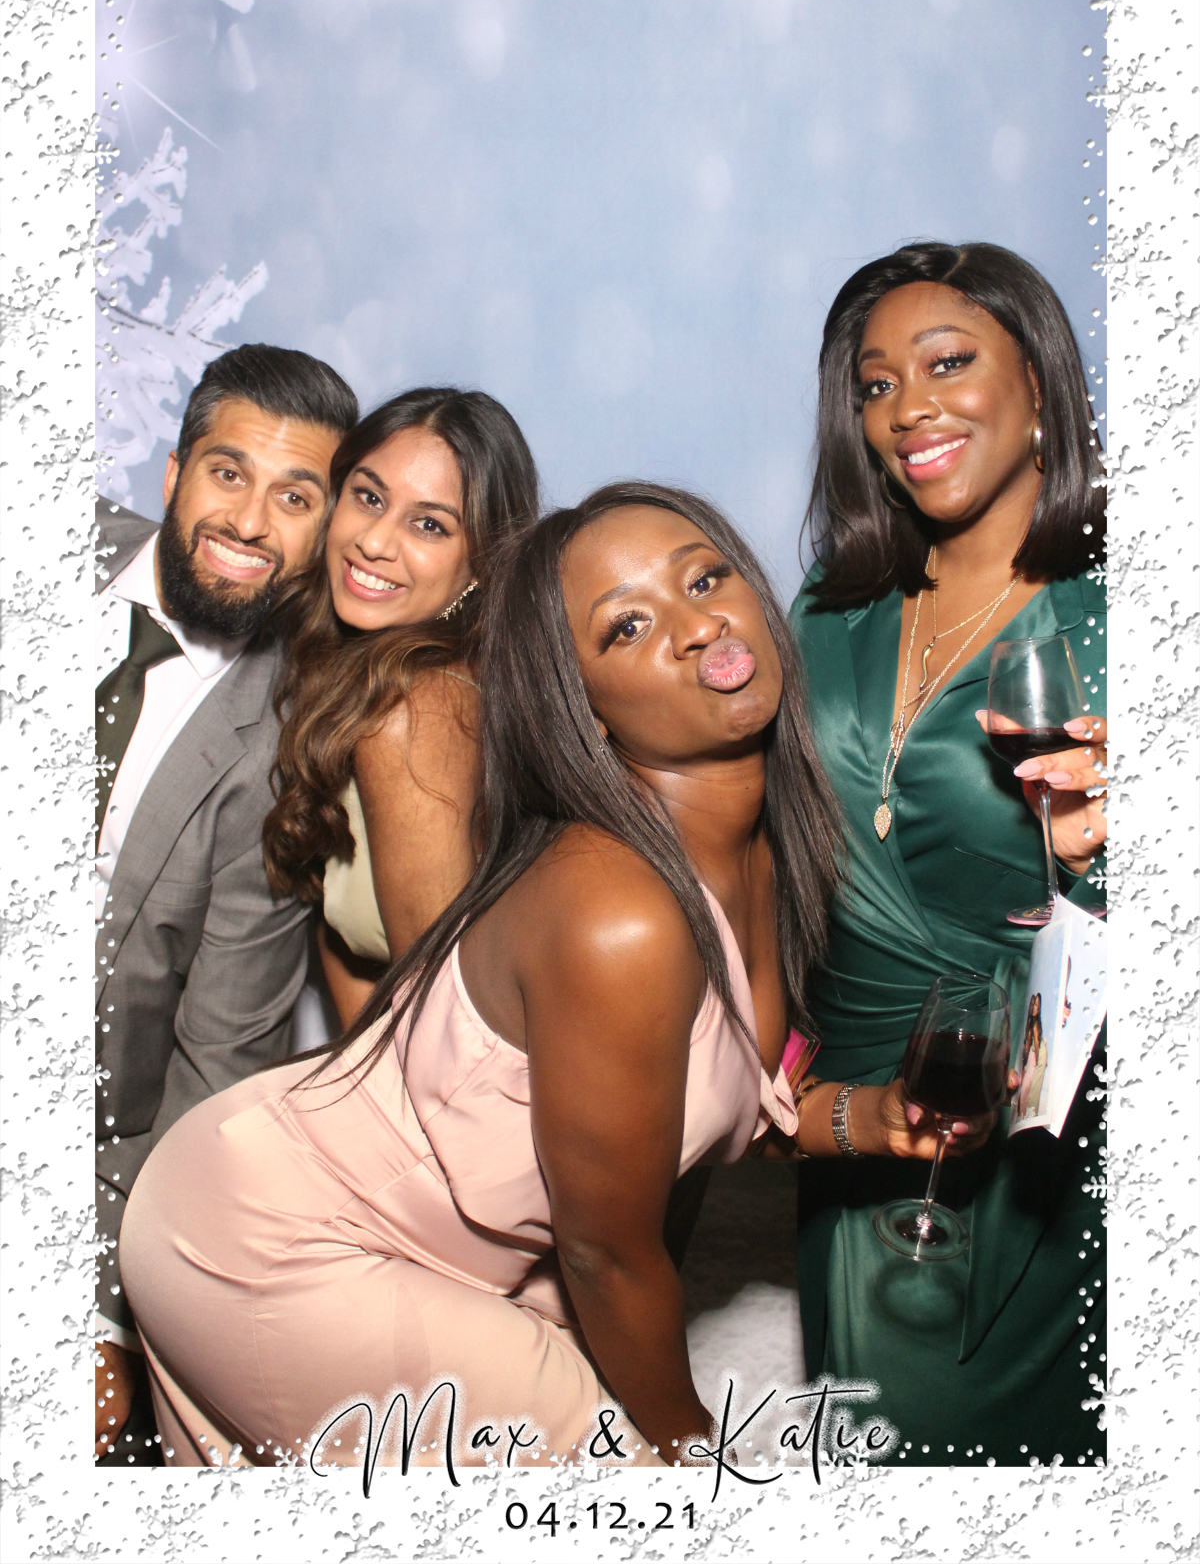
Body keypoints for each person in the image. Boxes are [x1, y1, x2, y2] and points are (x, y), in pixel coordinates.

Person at [120, 484, 999, 1470]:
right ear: (583, 709)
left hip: (423, 1243)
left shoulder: (758, 853)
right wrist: (692, 1455)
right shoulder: (616, 911)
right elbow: (606, 1254)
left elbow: (718, 1100)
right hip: (273, 1235)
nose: (695, 625)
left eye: (704, 579)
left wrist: (869, 1118)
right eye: (628, 626)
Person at [789, 241, 1107, 1467]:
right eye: (875, 385)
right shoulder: (835, 603)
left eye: (947, 363)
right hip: (851, 1119)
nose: (906, 407)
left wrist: (1104, 855)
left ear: (1041, 385)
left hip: (1040, 1130)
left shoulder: (1124, 617)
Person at [95, 343, 358, 1461]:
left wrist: (107, 1315)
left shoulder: (288, 754)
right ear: (172, 473)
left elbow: (210, 1077)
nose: (250, 523)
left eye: (295, 498)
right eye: (228, 473)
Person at [262, 388, 540, 1030]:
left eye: (429, 525)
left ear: (483, 562)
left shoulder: (417, 709)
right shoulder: (366, 672)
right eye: (368, 497)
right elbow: (350, 937)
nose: (375, 541)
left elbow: (442, 1015)